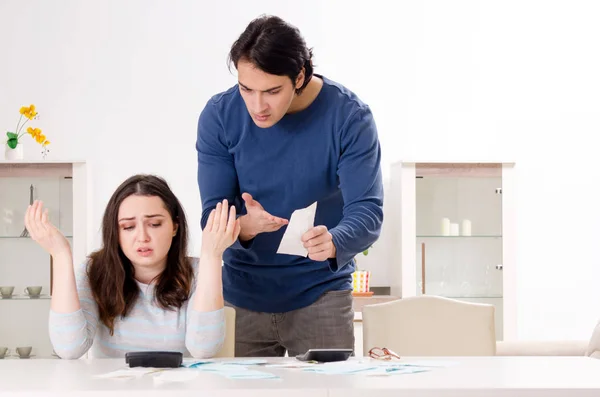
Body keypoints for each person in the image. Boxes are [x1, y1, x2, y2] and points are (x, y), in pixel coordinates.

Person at [196, 15, 384, 357]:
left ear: (300, 76)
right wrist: (243, 226)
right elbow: (213, 214)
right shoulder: (220, 116)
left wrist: (334, 241)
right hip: (241, 294)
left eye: (271, 91)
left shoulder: (350, 118)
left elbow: (368, 212)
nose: (257, 106)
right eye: (246, 89)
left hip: (321, 292)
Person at [24, 174, 240, 359]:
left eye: (155, 224)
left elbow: (204, 348)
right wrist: (61, 255)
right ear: (115, 233)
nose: (142, 237)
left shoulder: (199, 272)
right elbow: (68, 349)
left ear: (175, 226)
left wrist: (212, 255)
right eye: (128, 227)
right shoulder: (94, 271)